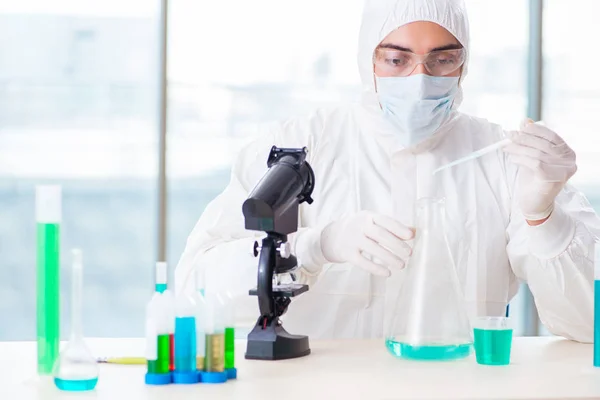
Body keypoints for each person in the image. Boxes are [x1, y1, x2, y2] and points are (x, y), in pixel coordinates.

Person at [175, 0, 600, 342]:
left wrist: (543, 216)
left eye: (442, 60)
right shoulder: (300, 146)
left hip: (456, 388)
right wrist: (314, 247)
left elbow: (588, 326)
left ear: (463, 64)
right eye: (397, 60)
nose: (420, 80)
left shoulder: (506, 160)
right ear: (367, 61)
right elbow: (196, 289)